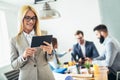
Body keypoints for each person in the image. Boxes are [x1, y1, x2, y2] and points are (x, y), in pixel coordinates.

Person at [10, 5, 55, 80]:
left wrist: (50, 52)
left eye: (33, 18)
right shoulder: (14, 40)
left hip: (46, 76)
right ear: (21, 19)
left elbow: (50, 59)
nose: (31, 21)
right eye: (27, 18)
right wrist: (23, 56)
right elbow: (14, 66)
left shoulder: (44, 34)